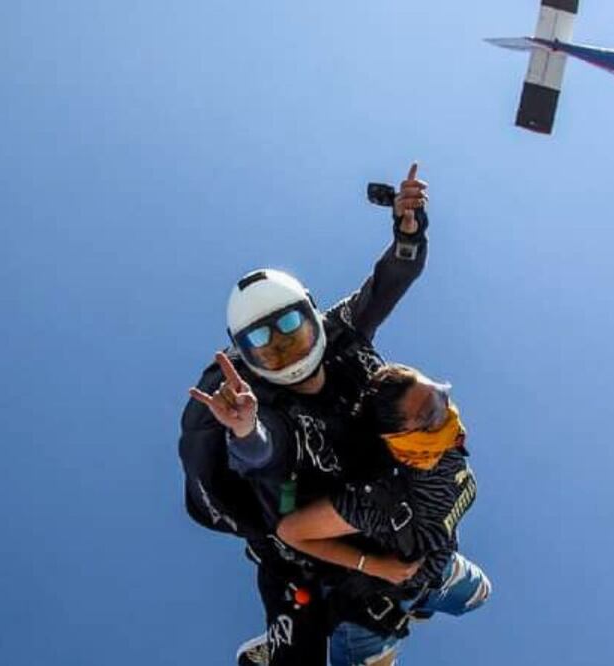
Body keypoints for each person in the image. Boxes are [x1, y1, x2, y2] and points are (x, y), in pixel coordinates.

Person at [178, 164, 432, 665]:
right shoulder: (263, 405)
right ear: (248, 363)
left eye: (293, 332)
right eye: (268, 351)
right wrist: (246, 432)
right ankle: (288, 648)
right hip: (294, 551)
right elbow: (267, 451)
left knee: (445, 580)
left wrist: (409, 232)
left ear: (316, 319)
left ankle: (379, 610)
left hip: (359, 505)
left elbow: (384, 288)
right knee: (312, 624)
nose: (288, 355)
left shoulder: (340, 333)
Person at [276, 364, 491, 666]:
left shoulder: (446, 446)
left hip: (434, 570)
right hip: (372, 613)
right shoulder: (379, 502)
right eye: (432, 415)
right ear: (402, 440)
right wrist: (374, 565)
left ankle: (421, 601)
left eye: (442, 396)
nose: (449, 415)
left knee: (480, 594)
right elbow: (291, 531)